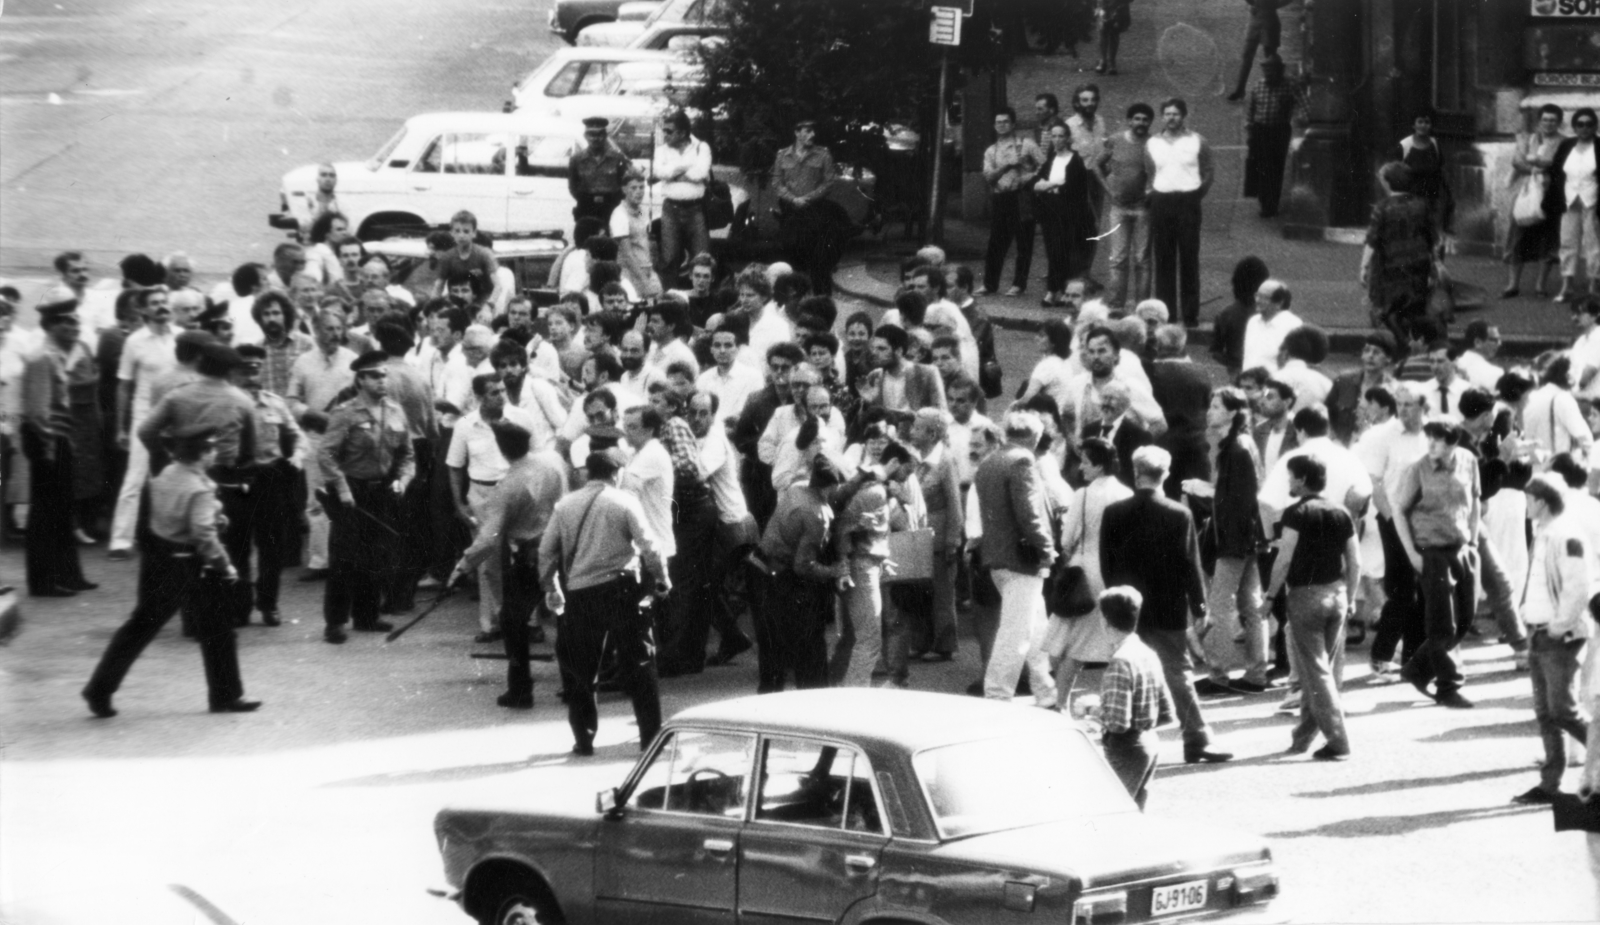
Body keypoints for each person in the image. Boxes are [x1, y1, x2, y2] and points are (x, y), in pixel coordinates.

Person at [82, 426, 257, 718]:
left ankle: (99, 690)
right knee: (218, 628)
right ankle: (226, 695)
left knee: (141, 626)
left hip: (158, 558)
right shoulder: (200, 488)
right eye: (211, 448)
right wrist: (225, 565)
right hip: (189, 562)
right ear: (201, 455)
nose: (215, 452)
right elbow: (203, 534)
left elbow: (172, 515)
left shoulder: (164, 476)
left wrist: (214, 518)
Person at [539, 447, 670, 755]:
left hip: (580, 594)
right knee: (639, 663)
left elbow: (546, 551)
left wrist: (551, 586)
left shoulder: (565, 505)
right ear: (617, 473)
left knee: (581, 669)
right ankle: (650, 739)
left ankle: (583, 739)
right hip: (622, 592)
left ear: (588, 472)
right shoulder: (624, 501)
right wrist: (663, 578)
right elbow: (649, 546)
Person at [448, 420, 567, 710]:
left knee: (512, 622)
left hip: (529, 559)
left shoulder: (508, 486)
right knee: (566, 621)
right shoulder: (551, 462)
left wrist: (462, 566)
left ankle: (520, 689)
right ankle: (574, 685)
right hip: (562, 548)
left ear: (501, 450)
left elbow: (488, 539)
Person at [1265, 455, 1360, 760]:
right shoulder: (1342, 512)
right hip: (1338, 594)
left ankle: (1339, 740)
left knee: (1316, 672)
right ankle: (1302, 738)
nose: (1289, 483)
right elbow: (1355, 561)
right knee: (1319, 670)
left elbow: (1284, 558)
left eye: (1291, 477)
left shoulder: (1296, 513)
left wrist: (1269, 597)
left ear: (1303, 480)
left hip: (1305, 597)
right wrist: (1352, 598)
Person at [318, 351, 414, 643]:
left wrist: (402, 480)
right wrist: (343, 490)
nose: (382, 381)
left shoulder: (396, 411)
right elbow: (326, 454)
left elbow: (407, 455)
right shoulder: (346, 412)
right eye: (375, 375)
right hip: (353, 490)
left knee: (376, 556)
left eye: (384, 375)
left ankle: (367, 616)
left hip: (383, 489)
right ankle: (335, 622)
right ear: (360, 380)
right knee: (345, 557)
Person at [1512, 473, 1596, 804]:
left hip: (1558, 636)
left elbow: (1578, 587)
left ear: (1542, 502)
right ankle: (1550, 784)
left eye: (1530, 499)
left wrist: (1560, 627)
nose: (1526, 505)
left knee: (1563, 711)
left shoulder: (1566, 536)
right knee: (1546, 712)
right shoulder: (1544, 533)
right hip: (1539, 633)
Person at [1186, 387, 1271, 695]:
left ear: (1233, 412)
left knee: (1219, 607)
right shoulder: (1242, 443)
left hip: (1234, 538)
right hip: (1249, 535)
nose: (1210, 410)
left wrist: (1203, 490)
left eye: (1217, 405)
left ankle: (1219, 674)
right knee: (1251, 604)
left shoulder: (1234, 448)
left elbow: (1235, 499)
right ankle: (1256, 673)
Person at [971, 410, 1059, 705]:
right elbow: (1030, 514)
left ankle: (1046, 692)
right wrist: (1046, 549)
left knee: (1036, 629)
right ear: (1034, 437)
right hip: (1023, 560)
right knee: (1017, 633)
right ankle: (997, 696)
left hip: (997, 558)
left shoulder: (989, 463)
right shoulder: (1023, 461)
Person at [1392, 419, 1480, 709]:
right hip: (1432, 551)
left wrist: (1474, 540)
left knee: (1466, 618)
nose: (1430, 445)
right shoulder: (1418, 470)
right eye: (1428, 438)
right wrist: (1413, 554)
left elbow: (1476, 500)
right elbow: (1399, 510)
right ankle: (1448, 686)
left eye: (1438, 440)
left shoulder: (1468, 461)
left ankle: (1417, 668)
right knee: (1443, 624)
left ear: (1453, 443)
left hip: (1462, 548)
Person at [447, 372, 540, 642]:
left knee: (524, 557)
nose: (502, 396)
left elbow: (536, 457)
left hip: (517, 490)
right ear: (478, 397)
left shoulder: (521, 417)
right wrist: (460, 503)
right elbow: (454, 467)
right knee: (487, 563)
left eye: (503, 390)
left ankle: (530, 622)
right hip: (482, 494)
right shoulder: (464, 425)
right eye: (494, 392)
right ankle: (494, 623)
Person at [21, 302, 96, 596]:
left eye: (77, 322)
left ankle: (69, 574)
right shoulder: (42, 357)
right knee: (46, 511)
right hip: (46, 440)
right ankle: (43, 581)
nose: (75, 327)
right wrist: (52, 447)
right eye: (67, 322)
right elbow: (39, 412)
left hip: (59, 437)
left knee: (62, 508)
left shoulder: (56, 355)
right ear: (51, 325)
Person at [754, 452, 845, 692]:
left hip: (761, 570)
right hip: (782, 578)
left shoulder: (797, 488)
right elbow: (804, 566)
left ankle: (769, 702)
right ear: (830, 486)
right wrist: (834, 570)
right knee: (808, 645)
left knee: (773, 651)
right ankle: (811, 698)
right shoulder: (816, 516)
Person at [230, 344, 304, 628]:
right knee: (238, 545)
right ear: (235, 370)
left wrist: (296, 456)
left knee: (272, 546)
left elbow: (296, 436)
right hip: (237, 479)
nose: (251, 373)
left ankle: (268, 603)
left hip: (270, 479)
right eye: (246, 368)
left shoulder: (274, 403)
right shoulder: (227, 403)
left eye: (256, 367)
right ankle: (240, 604)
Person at [107, 288, 180, 559]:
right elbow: (123, 386)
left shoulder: (180, 337)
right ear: (144, 310)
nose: (162, 307)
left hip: (174, 418)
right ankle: (120, 541)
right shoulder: (134, 341)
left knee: (171, 479)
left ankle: (169, 537)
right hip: (143, 418)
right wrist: (121, 427)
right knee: (134, 479)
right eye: (155, 303)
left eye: (164, 302)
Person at [286, 308, 357, 578]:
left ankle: (348, 557)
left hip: (348, 440)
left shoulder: (353, 360)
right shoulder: (303, 362)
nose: (335, 334)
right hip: (316, 437)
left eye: (339, 329)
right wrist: (314, 415)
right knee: (316, 500)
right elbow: (290, 402)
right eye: (329, 329)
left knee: (347, 496)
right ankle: (320, 561)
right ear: (315, 331)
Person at [1095, 585, 1174, 809]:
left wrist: (1093, 711)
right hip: (1149, 742)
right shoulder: (1148, 654)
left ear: (1105, 620)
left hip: (1125, 749)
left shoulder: (1120, 661)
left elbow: (1118, 724)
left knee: (1112, 812)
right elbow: (1167, 713)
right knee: (1136, 815)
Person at [1144, 98, 1214, 327]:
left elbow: (1208, 171)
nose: (1171, 118)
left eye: (1175, 114)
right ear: (1162, 117)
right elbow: (1150, 171)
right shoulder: (1152, 143)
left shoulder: (1197, 141)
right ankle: (1167, 313)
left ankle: (1190, 313)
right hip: (1161, 202)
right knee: (1163, 258)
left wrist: (1194, 195)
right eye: (1167, 114)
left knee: (1189, 258)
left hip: (1188, 202)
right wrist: (1156, 193)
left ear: (1183, 116)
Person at [1361, 162, 1440, 342]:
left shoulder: (1383, 207)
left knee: (1389, 309)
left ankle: (1399, 344)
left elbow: (1372, 240)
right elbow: (1433, 238)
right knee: (1415, 308)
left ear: (1388, 182)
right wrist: (1436, 264)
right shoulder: (1422, 205)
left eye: (1382, 179)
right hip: (1419, 265)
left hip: (1390, 266)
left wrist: (1363, 267)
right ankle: (1415, 344)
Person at [772, 118, 841, 295]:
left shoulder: (823, 154)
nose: (813, 135)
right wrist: (793, 199)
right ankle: (791, 298)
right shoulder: (782, 155)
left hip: (814, 213)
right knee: (790, 258)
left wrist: (807, 198)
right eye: (807, 131)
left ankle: (821, 298)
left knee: (818, 259)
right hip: (791, 213)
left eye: (813, 131)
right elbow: (777, 182)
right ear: (797, 132)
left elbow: (829, 183)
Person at [1504, 104, 1567, 299]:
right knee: (1517, 236)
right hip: (1525, 192)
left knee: (1547, 238)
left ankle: (1540, 286)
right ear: (1539, 121)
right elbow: (1517, 161)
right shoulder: (1527, 138)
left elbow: (1562, 166)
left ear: (1559, 122)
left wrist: (1538, 163)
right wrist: (1541, 166)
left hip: (1550, 194)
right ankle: (1512, 285)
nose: (1549, 123)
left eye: (1553, 120)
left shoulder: (1564, 142)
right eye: (1545, 119)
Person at [1096, 103, 1154, 311]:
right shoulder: (1116, 140)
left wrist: (1152, 191)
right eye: (1137, 119)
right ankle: (1115, 306)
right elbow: (1097, 164)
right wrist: (1108, 189)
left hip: (1142, 209)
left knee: (1142, 260)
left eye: (1145, 119)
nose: (1141, 123)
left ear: (1150, 123)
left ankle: (1142, 308)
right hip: (1118, 208)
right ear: (1129, 120)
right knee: (1118, 259)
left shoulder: (1153, 143)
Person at [980, 107, 1043, 297]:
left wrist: (1030, 177)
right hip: (1001, 197)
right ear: (994, 125)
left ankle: (1019, 284)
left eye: (1006, 122)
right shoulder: (991, 151)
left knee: (1024, 242)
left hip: (1021, 197)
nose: (1002, 125)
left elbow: (1045, 165)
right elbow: (989, 177)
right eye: (998, 122)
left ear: (1013, 124)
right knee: (996, 243)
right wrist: (1008, 165)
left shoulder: (1027, 144)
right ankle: (989, 284)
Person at [1033, 123, 1094, 308]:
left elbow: (1074, 188)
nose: (1057, 140)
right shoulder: (1051, 159)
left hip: (1068, 213)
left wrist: (1048, 184)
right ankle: (1057, 289)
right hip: (1050, 210)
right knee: (1052, 251)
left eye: (1061, 136)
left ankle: (1053, 291)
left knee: (1062, 251)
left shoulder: (1075, 161)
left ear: (1068, 138)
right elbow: (1036, 183)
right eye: (1054, 136)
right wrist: (1052, 184)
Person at [652, 110, 713, 286]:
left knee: (701, 258)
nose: (665, 135)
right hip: (670, 209)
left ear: (683, 133)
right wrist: (686, 167)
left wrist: (672, 173)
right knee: (669, 258)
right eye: (664, 130)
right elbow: (659, 172)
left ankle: (701, 296)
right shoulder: (661, 150)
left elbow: (701, 173)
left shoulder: (702, 147)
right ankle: (669, 297)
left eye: (669, 131)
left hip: (696, 210)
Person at [1242, 55, 1305, 218]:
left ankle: (1272, 204)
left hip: (1278, 131)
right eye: (1265, 70)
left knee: (1275, 167)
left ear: (1279, 70)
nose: (1268, 74)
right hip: (1260, 131)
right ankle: (1264, 202)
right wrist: (1249, 126)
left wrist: (1302, 118)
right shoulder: (1259, 86)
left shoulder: (1290, 85)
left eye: (1271, 70)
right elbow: (1252, 108)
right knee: (1259, 166)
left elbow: (1303, 104)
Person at [1548, 107, 1600, 303]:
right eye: (1580, 124)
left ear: (1595, 126)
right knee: (1567, 243)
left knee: (1593, 245)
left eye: (1588, 124)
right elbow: (1556, 171)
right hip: (1569, 200)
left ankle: (1593, 286)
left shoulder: (1599, 145)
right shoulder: (1567, 144)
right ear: (1575, 126)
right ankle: (1567, 285)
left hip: (1592, 200)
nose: (1584, 128)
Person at [1327, 331, 1400, 444]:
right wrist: (1333, 439)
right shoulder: (1343, 381)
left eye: (1376, 352)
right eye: (1367, 351)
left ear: (1388, 358)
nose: (1370, 356)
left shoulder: (1393, 389)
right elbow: (1326, 412)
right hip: (1340, 444)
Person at [1394, 107, 1455, 241]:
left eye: (1427, 122)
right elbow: (1394, 172)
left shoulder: (1435, 144)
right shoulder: (1405, 145)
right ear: (1413, 124)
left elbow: (1441, 168)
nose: (1423, 125)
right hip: (1411, 198)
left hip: (1433, 197)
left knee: (1433, 234)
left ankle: (1435, 260)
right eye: (1420, 122)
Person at [610, 169, 662, 300]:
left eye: (641, 187)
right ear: (624, 189)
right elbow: (627, 254)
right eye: (633, 188)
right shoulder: (619, 216)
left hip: (648, 270)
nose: (639, 192)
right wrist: (645, 283)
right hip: (629, 274)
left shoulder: (640, 211)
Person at [568, 116, 630, 224]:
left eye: (599, 134)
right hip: (586, 207)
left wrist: (615, 200)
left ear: (605, 136)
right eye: (591, 135)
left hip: (611, 206)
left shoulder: (617, 158)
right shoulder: (576, 160)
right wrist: (585, 199)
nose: (595, 139)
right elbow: (573, 186)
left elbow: (624, 184)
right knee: (586, 239)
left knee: (612, 239)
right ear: (585, 136)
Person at [1227, 0, 1293, 101]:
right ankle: (1240, 90)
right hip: (1255, 20)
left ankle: (1273, 93)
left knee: (1271, 59)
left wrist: (1273, 5)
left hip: (1269, 21)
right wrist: (1253, 3)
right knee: (1246, 55)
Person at [1241, 279, 1302, 373]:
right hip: (1248, 384)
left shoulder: (1293, 325)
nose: (1257, 300)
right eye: (1257, 295)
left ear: (1279, 303)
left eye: (1264, 297)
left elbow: (1294, 365)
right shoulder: (1253, 322)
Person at [1095, 0, 1132, 75]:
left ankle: (1111, 61)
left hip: (1119, 5)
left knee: (1115, 31)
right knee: (1103, 29)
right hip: (1104, 3)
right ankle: (1103, 60)